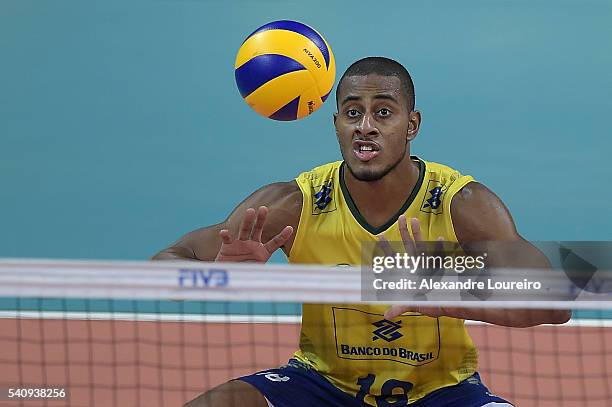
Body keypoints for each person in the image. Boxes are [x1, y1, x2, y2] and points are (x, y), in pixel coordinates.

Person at [153, 57, 570, 407]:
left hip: (443, 394)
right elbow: (163, 267)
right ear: (336, 124)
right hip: (320, 386)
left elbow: (555, 303)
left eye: (383, 112)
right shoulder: (293, 204)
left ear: (412, 125)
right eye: (353, 113)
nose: (365, 126)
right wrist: (217, 276)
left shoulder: (461, 204)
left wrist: (451, 292)